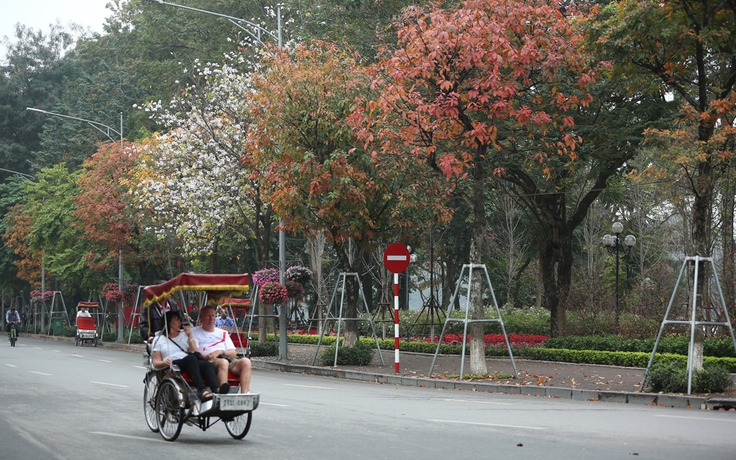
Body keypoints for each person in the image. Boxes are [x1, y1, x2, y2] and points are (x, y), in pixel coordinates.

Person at [151, 310, 227, 401]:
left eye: (180, 320)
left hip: (190, 361)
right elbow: (155, 362)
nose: (180, 322)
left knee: (207, 364)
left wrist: (190, 336)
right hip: (173, 364)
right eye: (176, 320)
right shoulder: (159, 339)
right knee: (191, 359)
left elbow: (195, 351)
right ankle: (202, 390)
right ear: (169, 322)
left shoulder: (184, 335)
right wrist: (164, 362)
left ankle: (216, 389)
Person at [192, 305, 252, 394]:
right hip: (208, 361)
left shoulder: (222, 333)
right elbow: (194, 351)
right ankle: (223, 392)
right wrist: (209, 356)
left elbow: (233, 353)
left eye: (213, 316)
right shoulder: (195, 331)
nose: (211, 318)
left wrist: (220, 352)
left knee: (246, 362)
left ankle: (245, 393)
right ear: (201, 318)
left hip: (226, 357)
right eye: (208, 316)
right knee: (223, 362)